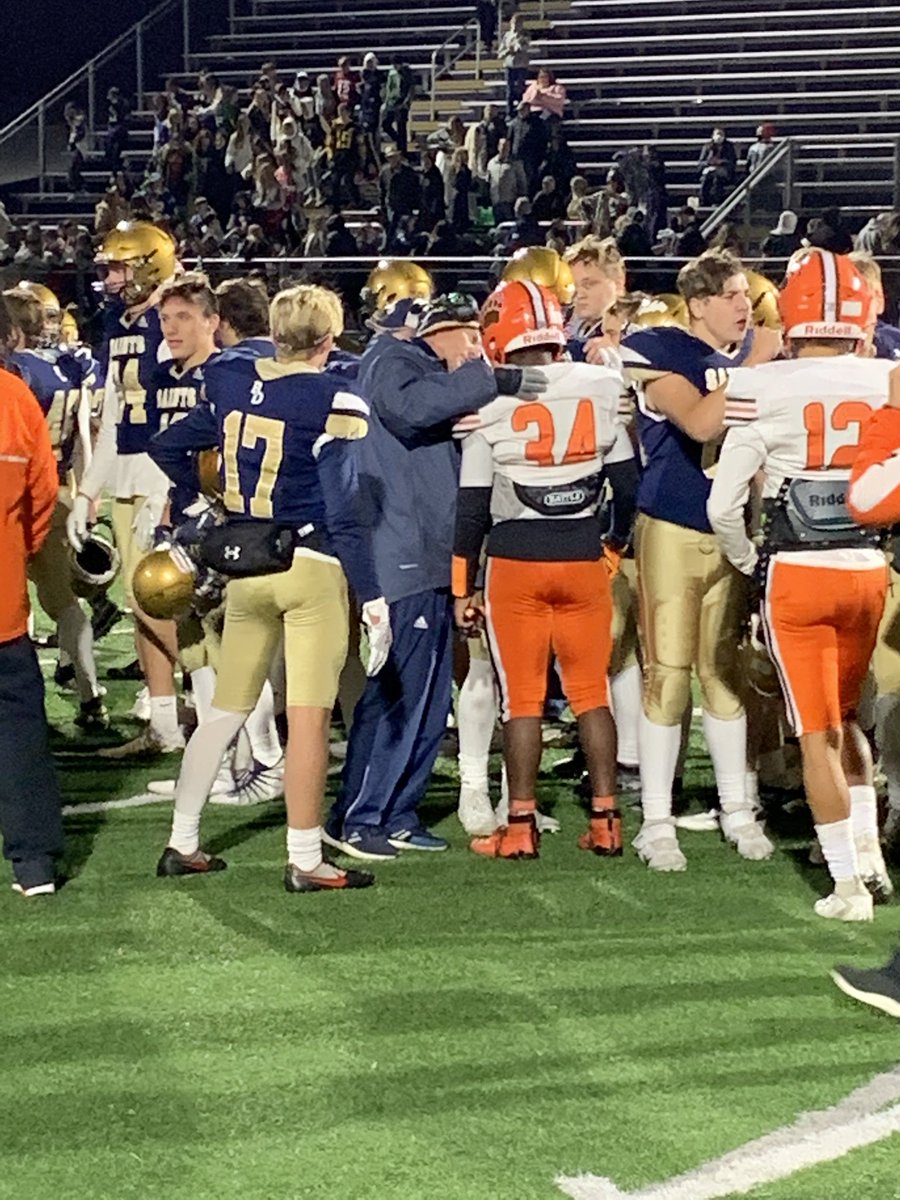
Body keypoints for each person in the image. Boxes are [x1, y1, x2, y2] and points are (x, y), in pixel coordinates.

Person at [155, 284, 390, 892]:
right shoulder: (333, 395)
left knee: (225, 711)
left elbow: (167, 445)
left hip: (245, 565)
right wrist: (374, 595)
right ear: (329, 340)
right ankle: (306, 857)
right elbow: (343, 512)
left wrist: (209, 497)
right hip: (309, 566)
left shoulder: (232, 379)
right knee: (309, 719)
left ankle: (182, 842)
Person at [324, 293, 550, 861]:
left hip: (428, 549)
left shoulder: (421, 371)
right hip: (402, 548)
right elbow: (409, 408)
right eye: (468, 335)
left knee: (427, 697)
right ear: (428, 331)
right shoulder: (389, 359)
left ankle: (397, 810)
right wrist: (491, 380)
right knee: (399, 690)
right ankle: (358, 816)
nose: (476, 348)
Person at [708, 249, 891, 920]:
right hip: (869, 568)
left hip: (800, 570)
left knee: (814, 730)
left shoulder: (764, 385)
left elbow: (725, 504)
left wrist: (748, 558)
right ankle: (869, 857)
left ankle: (846, 884)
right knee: (847, 718)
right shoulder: (889, 377)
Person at [453, 280, 638, 859]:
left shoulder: (489, 402)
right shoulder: (602, 384)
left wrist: (463, 587)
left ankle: (520, 826)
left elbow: (472, 509)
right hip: (583, 554)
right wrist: (614, 544)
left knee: (524, 700)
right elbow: (629, 484)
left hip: (515, 563)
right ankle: (607, 821)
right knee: (590, 692)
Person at [620, 248, 781, 871]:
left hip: (736, 527)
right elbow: (696, 422)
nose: (746, 306)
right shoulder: (659, 347)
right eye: (732, 296)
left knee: (725, 670)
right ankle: (657, 819)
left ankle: (737, 806)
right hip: (672, 525)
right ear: (699, 305)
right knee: (668, 672)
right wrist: (754, 366)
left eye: (747, 295)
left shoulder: (739, 354)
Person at [66, 221, 184, 758]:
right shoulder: (121, 323)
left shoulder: (179, 314)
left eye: (118, 267)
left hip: (170, 476)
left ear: (148, 264)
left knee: (180, 608)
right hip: (131, 476)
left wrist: (166, 489)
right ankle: (165, 722)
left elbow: (188, 410)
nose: (110, 278)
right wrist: (90, 490)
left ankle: (230, 716)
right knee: (143, 603)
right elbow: (115, 411)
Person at [3, 285, 105, 730]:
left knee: (28, 606)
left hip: (20, 493)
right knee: (61, 602)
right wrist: (86, 492)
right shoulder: (69, 367)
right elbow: (87, 432)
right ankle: (88, 694)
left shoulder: (17, 374)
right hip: (59, 488)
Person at [0, 295, 64, 897]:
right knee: (17, 730)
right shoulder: (16, 398)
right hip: (2, 603)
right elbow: (42, 498)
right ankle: (34, 863)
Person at [381, 56, 415, 157]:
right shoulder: (391, 72)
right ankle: (398, 141)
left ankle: (403, 151)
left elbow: (411, 88)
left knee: (401, 127)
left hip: (402, 103)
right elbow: (389, 87)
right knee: (386, 124)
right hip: (392, 102)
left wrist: (407, 102)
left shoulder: (407, 73)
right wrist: (386, 102)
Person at [497, 14, 531, 117]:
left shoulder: (525, 35)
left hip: (521, 66)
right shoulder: (507, 35)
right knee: (510, 90)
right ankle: (510, 113)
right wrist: (507, 51)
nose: (516, 26)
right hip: (509, 65)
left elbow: (522, 47)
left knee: (520, 89)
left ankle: (521, 112)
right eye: (514, 23)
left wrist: (516, 46)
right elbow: (500, 52)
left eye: (518, 23)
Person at [697, 127, 737, 207]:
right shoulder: (707, 147)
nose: (719, 136)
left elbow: (732, 162)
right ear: (712, 135)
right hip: (709, 169)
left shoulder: (729, 147)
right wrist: (709, 163)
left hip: (723, 170)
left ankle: (716, 200)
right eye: (717, 134)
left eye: (721, 134)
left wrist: (721, 162)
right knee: (706, 178)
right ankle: (704, 200)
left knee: (717, 178)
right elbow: (701, 162)